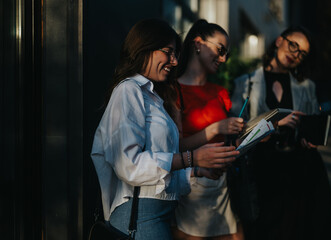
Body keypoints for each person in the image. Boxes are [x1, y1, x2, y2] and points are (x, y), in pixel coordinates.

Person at [91, 18, 240, 240]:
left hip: (156, 216)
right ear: (144, 48)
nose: (174, 61)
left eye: (176, 54)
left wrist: (198, 170)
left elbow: (161, 169)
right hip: (139, 217)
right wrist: (192, 159)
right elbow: (129, 164)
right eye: (168, 52)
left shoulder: (154, 97)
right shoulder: (128, 91)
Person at [231, 26, 331, 240]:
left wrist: (311, 137)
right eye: (293, 45)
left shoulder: (306, 86)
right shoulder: (246, 83)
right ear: (279, 40)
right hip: (262, 172)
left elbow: (309, 122)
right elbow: (238, 136)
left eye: (302, 53)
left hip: (300, 171)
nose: (295, 54)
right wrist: (274, 124)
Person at [173, 19, 245, 240]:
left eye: (226, 54)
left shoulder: (220, 92)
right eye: (220, 50)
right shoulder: (174, 90)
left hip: (224, 186)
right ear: (198, 43)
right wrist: (215, 128)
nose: (223, 59)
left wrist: (253, 135)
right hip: (192, 188)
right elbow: (175, 147)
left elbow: (229, 142)